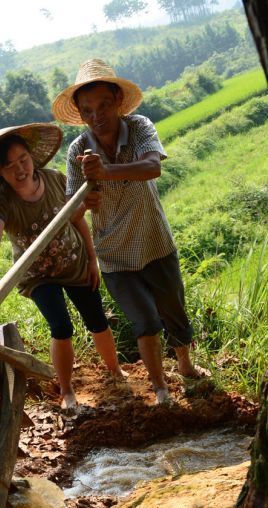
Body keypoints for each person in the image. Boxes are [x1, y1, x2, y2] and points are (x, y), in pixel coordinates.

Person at [54, 60, 209, 405]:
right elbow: (72, 211)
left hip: (153, 239)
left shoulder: (139, 127)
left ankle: (185, 367)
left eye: (104, 105)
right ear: (80, 115)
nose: (97, 115)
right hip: (114, 254)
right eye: (88, 110)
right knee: (146, 322)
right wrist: (86, 200)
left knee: (174, 311)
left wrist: (105, 172)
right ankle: (160, 389)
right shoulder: (78, 151)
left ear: (118, 103)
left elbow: (152, 167)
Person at [0, 122, 126, 411]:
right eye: (10, 166)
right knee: (61, 326)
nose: (19, 169)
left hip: (74, 262)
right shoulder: (2, 202)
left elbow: (77, 219)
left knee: (96, 318)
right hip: (38, 276)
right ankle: (67, 391)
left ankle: (116, 372)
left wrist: (91, 259)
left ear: (32, 157)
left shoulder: (55, 180)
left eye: (23, 160)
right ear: (0, 173)